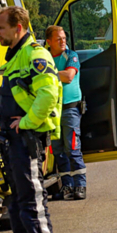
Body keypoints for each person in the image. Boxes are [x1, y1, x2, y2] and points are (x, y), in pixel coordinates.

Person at [0, 7, 63, 233]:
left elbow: (49, 94)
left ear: (18, 27)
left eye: (0, 27)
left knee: (33, 207)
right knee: (17, 207)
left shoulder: (35, 54)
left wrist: (25, 123)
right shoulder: (16, 55)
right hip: (12, 143)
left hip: (27, 141)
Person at [45, 25, 86, 201]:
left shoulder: (71, 56)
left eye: (64, 38)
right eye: (58, 39)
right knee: (58, 151)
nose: (63, 41)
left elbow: (68, 76)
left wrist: (46, 73)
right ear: (49, 42)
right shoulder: (44, 57)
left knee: (73, 149)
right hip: (52, 111)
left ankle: (80, 186)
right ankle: (67, 187)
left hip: (69, 109)